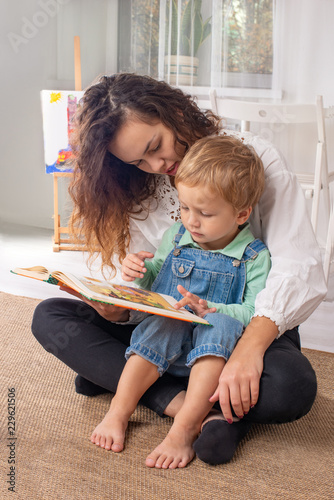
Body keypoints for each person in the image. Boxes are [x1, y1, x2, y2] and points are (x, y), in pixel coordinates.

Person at [31, 73, 327, 466]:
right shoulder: (141, 185)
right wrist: (120, 304)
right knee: (51, 316)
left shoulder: (252, 161)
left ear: (172, 112)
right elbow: (150, 273)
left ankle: (125, 383)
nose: (158, 164)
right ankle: (196, 411)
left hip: (240, 324)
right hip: (167, 325)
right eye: (139, 160)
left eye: (156, 146)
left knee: (292, 385)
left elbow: (297, 267)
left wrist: (249, 350)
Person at [90, 135, 271, 469]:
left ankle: (183, 429)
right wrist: (138, 272)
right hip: (163, 345)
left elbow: (252, 311)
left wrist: (213, 309)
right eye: (185, 207)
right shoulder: (175, 236)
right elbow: (155, 282)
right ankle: (119, 411)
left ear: (242, 213)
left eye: (205, 213)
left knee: (221, 324)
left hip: (209, 357)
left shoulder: (253, 257)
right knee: (165, 318)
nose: (192, 221)